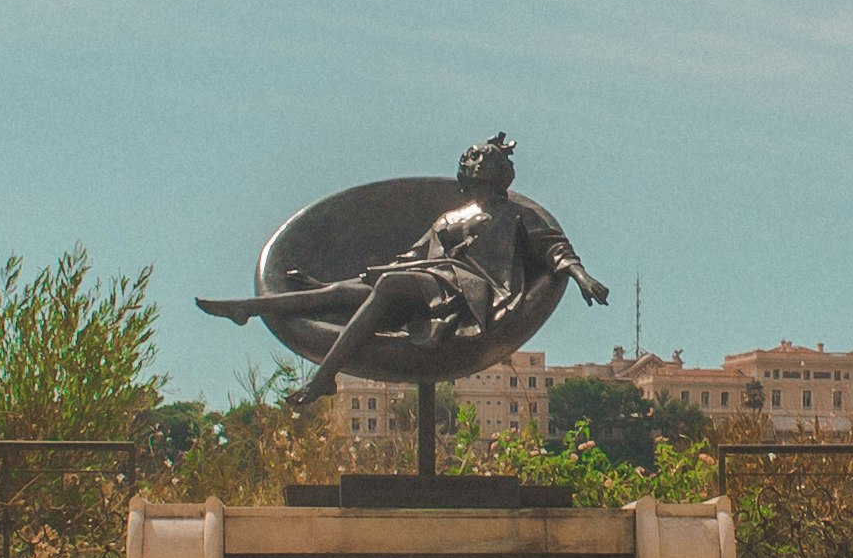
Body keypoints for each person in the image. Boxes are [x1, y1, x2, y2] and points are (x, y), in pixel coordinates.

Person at [197, 135, 607, 407]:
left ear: (500, 170)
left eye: (485, 157)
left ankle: (323, 377)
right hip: (427, 286)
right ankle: (251, 306)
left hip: (468, 292)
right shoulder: (450, 217)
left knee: (389, 284)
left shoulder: (515, 214)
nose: (476, 160)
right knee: (351, 290)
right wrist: (326, 285)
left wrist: (582, 277)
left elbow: (554, 248)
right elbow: (411, 259)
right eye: (472, 157)